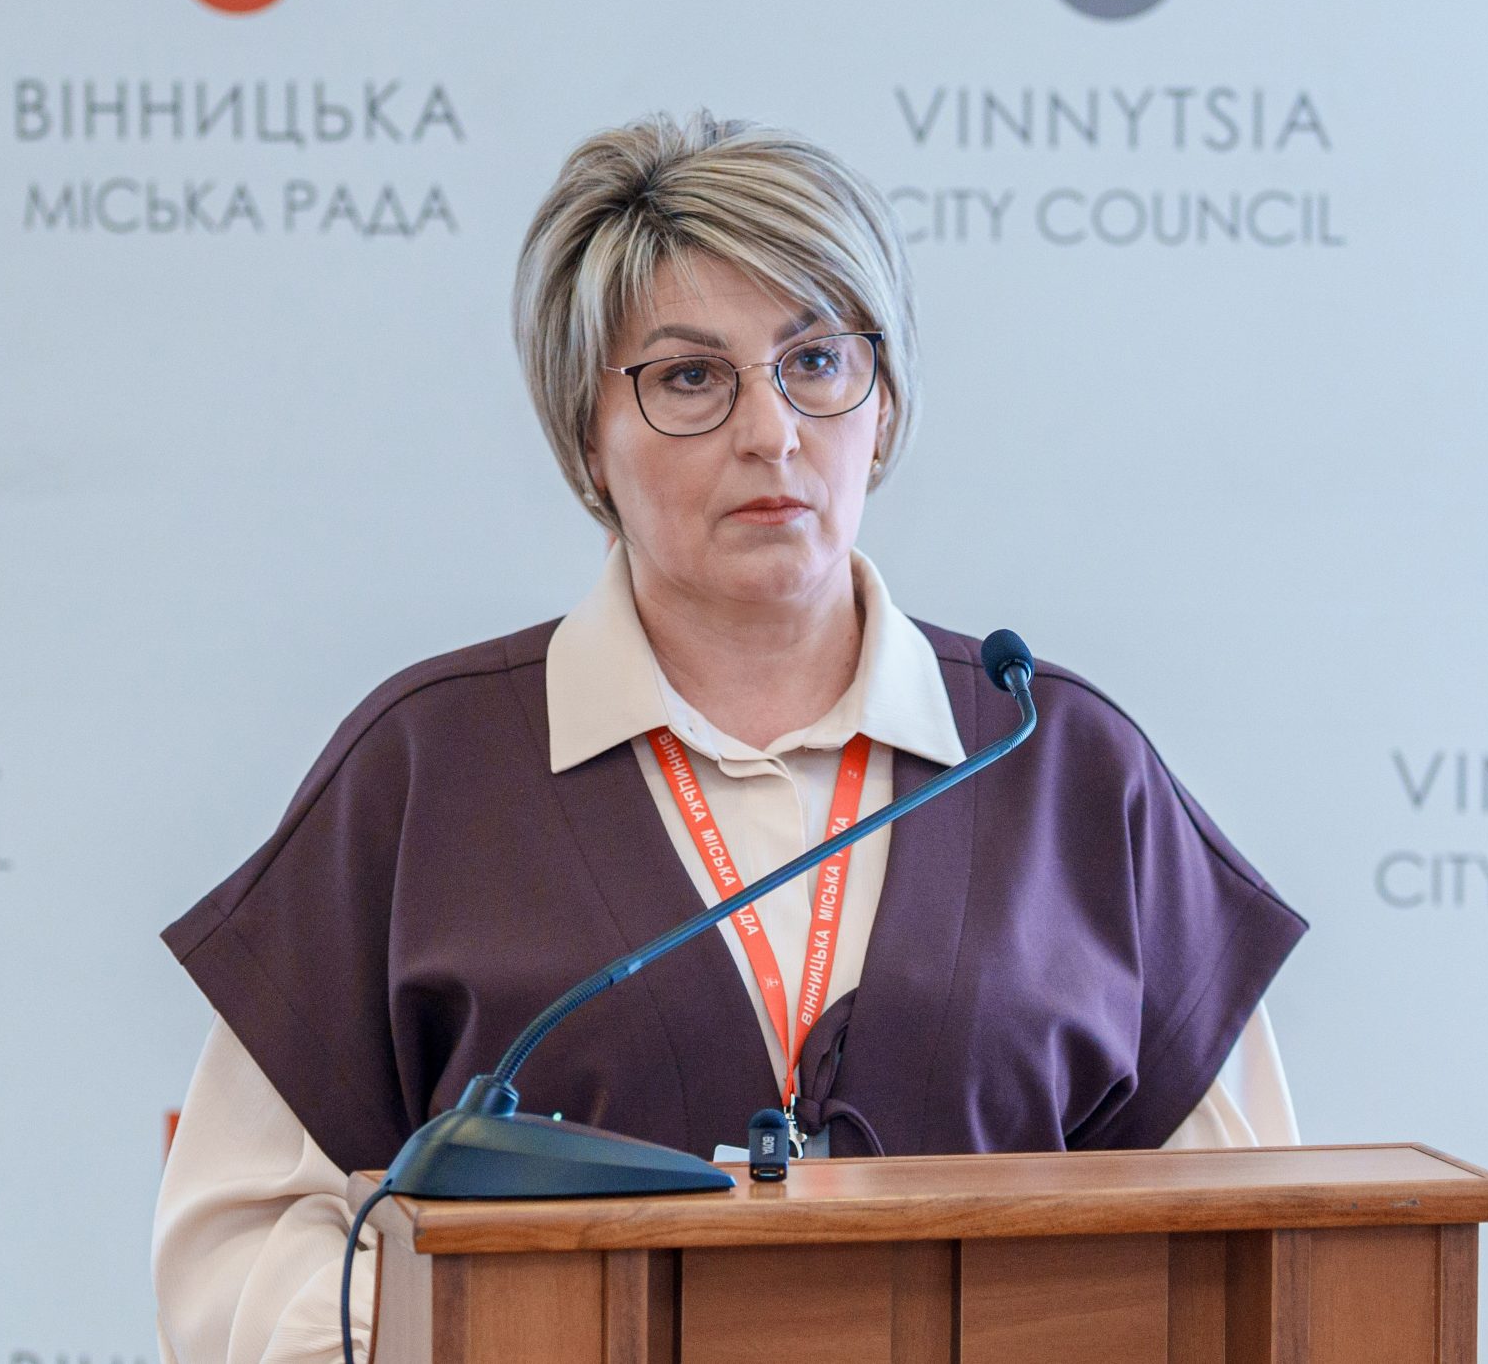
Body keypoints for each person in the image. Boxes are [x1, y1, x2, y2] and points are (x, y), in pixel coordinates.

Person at [152, 113, 1307, 1364]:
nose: (772, 431)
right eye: (691, 378)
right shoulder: (426, 769)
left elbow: (1242, 1244)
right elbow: (243, 1246)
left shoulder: (1059, 761)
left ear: (884, 406)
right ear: (585, 435)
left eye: (816, 361)